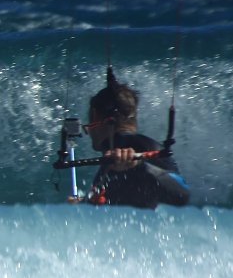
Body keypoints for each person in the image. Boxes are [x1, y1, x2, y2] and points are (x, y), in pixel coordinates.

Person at [81, 68, 190, 208]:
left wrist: (138, 166)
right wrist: (84, 204)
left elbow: (183, 194)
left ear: (95, 116)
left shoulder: (130, 148)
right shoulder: (142, 146)